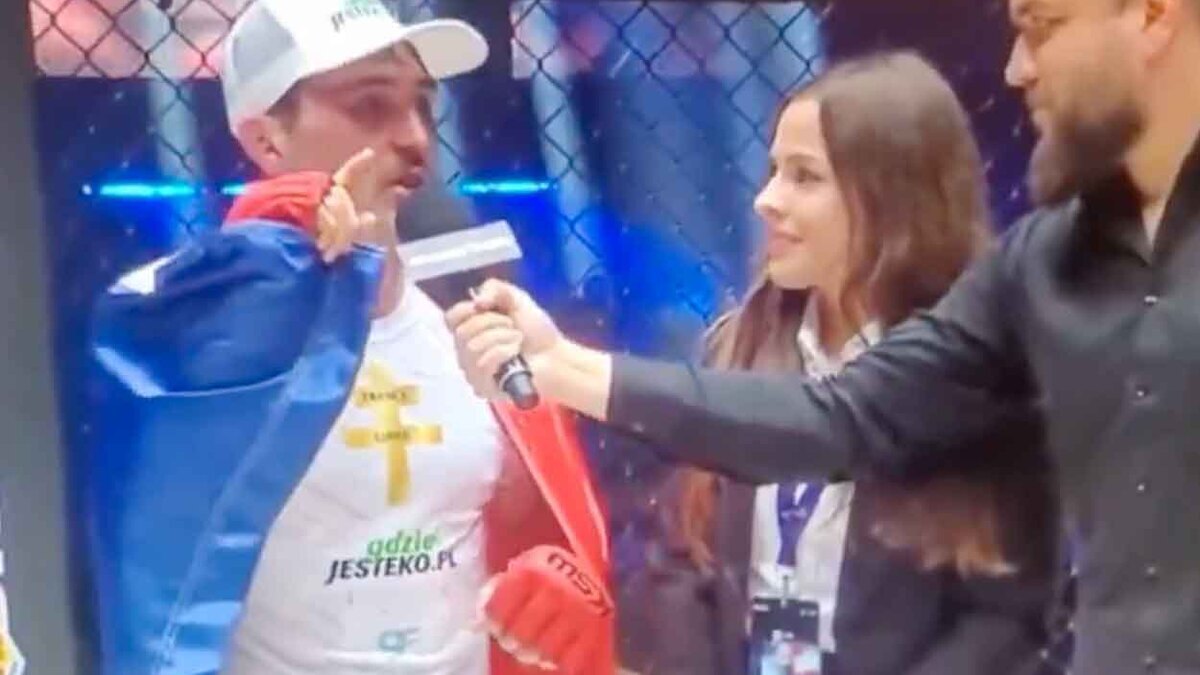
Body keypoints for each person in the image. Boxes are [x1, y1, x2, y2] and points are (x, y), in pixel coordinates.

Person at [446, 0, 1200, 671]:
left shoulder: (1014, 319)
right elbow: (838, 420)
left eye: (1045, 26)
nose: (1017, 68)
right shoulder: (1039, 264)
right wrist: (563, 367)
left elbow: (1013, 608)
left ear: (1153, 16)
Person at [604, 52, 1055, 675]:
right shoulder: (738, 344)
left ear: (895, 199)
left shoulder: (977, 369)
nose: (766, 201)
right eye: (773, 172)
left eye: (805, 177)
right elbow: (685, 551)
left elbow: (1008, 615)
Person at [209, 1, 614, 673]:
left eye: (421, 103)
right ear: (266, 140)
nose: (415, 137)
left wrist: (561, 588)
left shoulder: (478, 325)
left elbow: (537, 531)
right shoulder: (189, 340)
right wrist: (239, 266)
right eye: (370, 106)